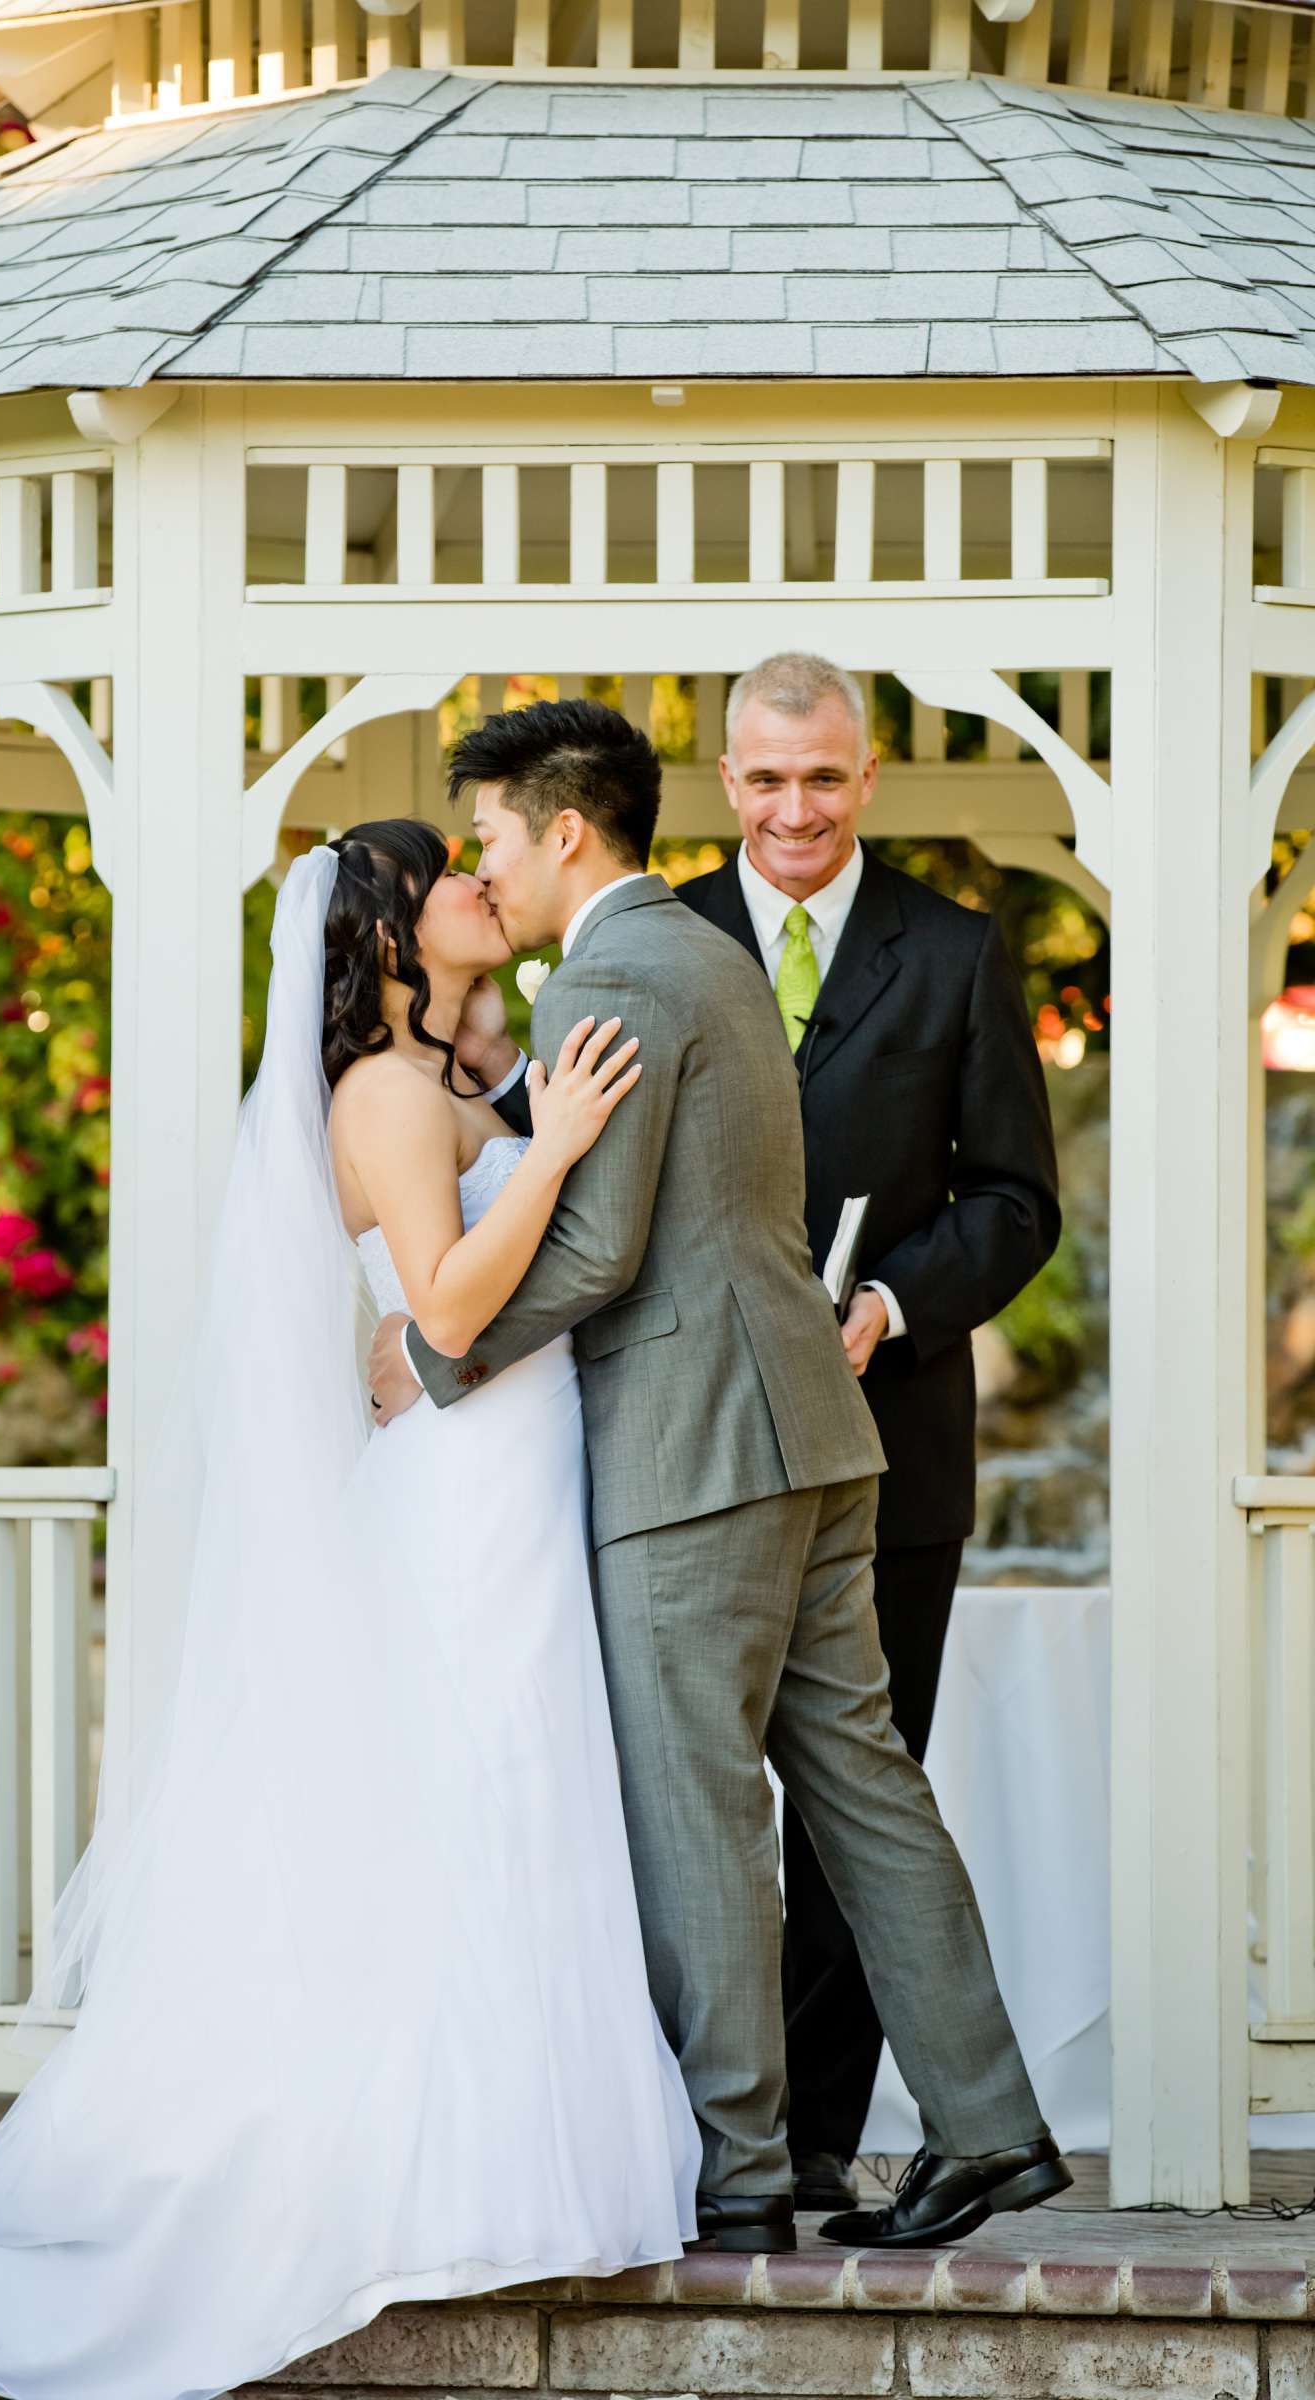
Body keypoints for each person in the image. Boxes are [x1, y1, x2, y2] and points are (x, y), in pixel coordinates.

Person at [0, 825, 701, 2400]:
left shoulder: (457, 1074)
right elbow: (450, 1303)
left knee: (522, 1790)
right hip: (465, 1487)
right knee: (492, 1779)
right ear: (389, 934)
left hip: (515, 1471)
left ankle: (534, 2158)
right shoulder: (389, 1095)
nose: (478, 882)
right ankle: (457, 2172)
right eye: (444, 877)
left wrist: (536, 1118)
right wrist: (555, 1144)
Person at [369, 697, 1070, 2254]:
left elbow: (604, 1249)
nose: (483, 862)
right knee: (867, 1787)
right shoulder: (716, 957)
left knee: (698, 1811)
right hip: (818, 1434)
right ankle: (992, 2126)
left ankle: (742, 2175)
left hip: (693, 1457)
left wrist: (432, 1357)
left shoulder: (611, 973)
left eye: (489, 834)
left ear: (563, 829)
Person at [678, 655, 1060, 2214]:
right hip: (689, 1448)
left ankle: (814, 2139)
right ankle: (704, 2128)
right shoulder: (660, 937)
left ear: (868, 778)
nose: (794, 809)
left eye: (822, 778)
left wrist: (893, 1305)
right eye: (765, 781)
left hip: (894, 1446)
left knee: (855, 1792)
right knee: (687, 1791)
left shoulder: (958, 954)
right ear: (725, 784)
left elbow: (1017, 1204)